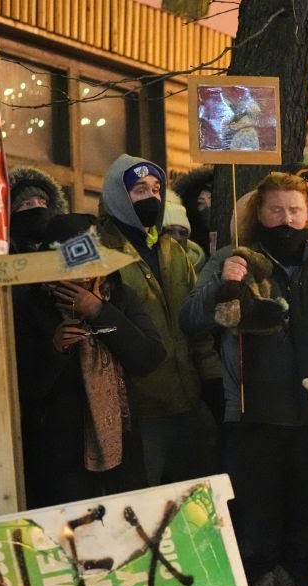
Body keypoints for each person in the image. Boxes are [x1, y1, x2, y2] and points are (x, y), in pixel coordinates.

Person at [181, 171, 308, 586]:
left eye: (296, 210)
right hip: (253, 418)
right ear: (259, 213)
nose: (287, 220)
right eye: (276, 210)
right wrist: (226, 284)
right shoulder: (232, 259)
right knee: (255, 533)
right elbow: (190, 319)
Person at [12, 214, 165, 507]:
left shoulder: (119, 296)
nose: (82, 277)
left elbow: (149, 358)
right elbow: (22, 386)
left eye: (92, 267)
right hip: (58, 452)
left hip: (120, 445)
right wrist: (55, 350)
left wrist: (100, 312)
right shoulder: (30, 305)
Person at [97, 153, 216, 484]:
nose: (151, 197)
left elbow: (196, 323)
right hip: (137, 412)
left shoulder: (172, 250)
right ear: (119, 197)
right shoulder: (97, 253)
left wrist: (211, 378)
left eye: (155, 189)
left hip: (187, 403)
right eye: (139, 190)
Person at [8, 166, 69, 253]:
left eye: (42, 203)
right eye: (28, 204)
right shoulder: (1, 249)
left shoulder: (63, 246)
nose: (38, 207)